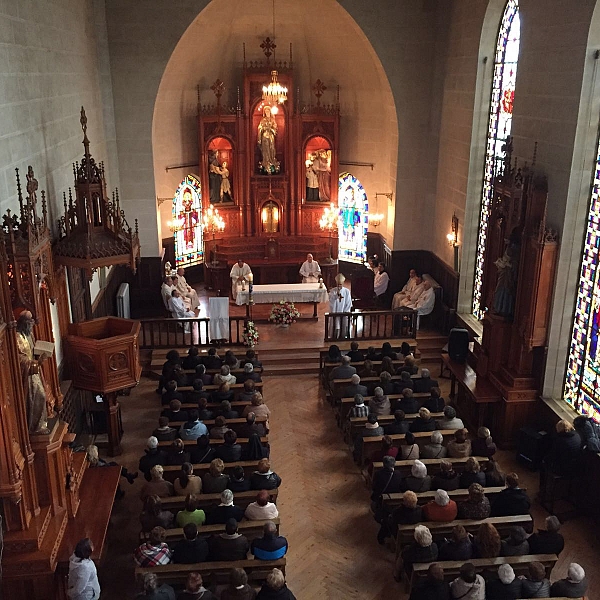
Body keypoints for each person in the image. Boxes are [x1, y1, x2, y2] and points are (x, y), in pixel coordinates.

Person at [16, 310, 50, 433]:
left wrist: (41, 353)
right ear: (24, 323)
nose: (31, 325)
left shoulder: (29, 334)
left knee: (42, 394)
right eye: (30, 322)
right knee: (38, 395)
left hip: (35, 370)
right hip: (27, 373)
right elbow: (19, 359)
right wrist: (35, 363)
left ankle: (41, 424)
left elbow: (33, 349)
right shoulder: (16, 337)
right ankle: (35, 427)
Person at [329, 273, 352, 338]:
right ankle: (334, 336)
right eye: (338, 284)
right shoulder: (333, 291)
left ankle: (343, 336)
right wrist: (337, 294)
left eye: (340, 284)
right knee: (335, 325)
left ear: (343, 283)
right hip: (335, 312)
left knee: (343, 325)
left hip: (344, 312)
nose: (339, 286)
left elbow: (349, 302)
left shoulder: (347, 291)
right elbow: (331, 301)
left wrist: (345, 311)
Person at [257, 105, 279, 172]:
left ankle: (272, 161)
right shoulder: (263, 120)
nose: (267, 112)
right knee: (265, 149)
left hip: (271, 136)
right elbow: (259, 128)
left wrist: (271, 129)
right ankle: (266, 163)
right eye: (266, 111)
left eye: (268, 111)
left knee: (271, 148)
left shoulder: (273, 120)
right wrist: (264, 129)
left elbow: (275, 128)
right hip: (264, 136)